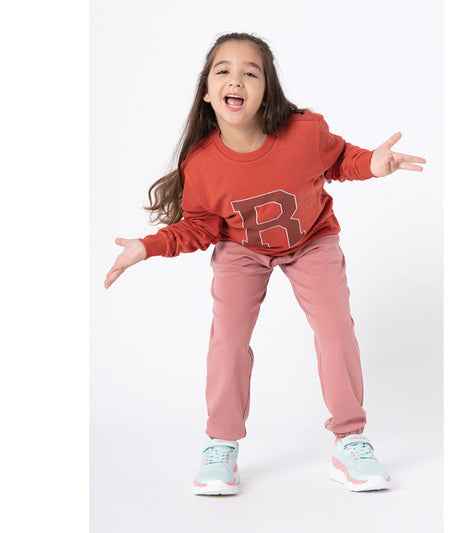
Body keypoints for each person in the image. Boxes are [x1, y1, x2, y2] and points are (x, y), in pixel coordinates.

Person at [104, 32, 426, 495]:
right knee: (229, 339)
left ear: (267, 90)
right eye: (223, 71)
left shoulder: (304, 132)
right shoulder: (201, 162)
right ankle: (221, 443)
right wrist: (147, 246)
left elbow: (339, 159)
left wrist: (372, 164)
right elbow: (199, 227)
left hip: (311, 240)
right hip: (241, 248)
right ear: (207, 92)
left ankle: (349, 440)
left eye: (250, 73)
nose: (236, 79)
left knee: (335, 328)